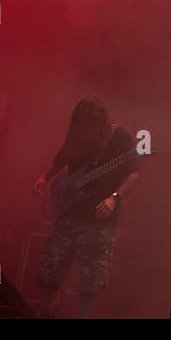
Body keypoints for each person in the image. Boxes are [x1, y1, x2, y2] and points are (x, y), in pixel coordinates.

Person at [33, 98, 139, 316]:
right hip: (70, 213)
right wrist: (44, 178)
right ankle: (44, 311)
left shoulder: (120, 137)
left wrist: (114, 198)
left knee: (90, 277)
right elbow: (59, 160)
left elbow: (133, 173)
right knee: (49, 267)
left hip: (99, 217)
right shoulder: (77, 134)